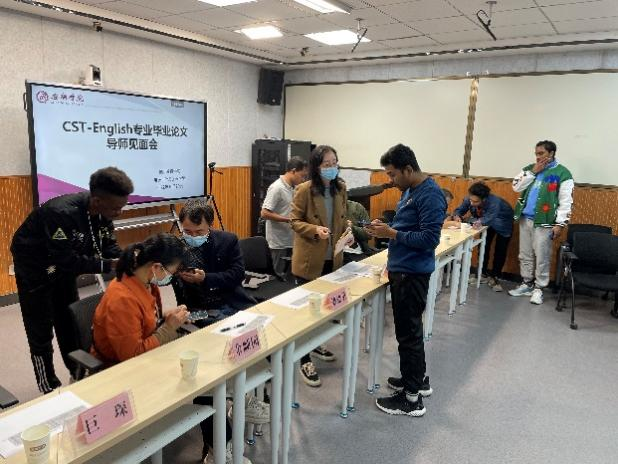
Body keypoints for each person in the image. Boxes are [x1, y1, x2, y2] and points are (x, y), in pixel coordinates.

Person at [91, 233, 256, 464]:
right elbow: (132, 356)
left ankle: (233, 407)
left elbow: (147, 324)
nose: (173, 276)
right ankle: (219, 447)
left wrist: (165, 319)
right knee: (201, 379)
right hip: (123, 368)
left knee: (205, 356)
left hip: (149, 352)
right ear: (156, 267)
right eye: (172, 271)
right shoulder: (122, 298)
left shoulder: (146, 283)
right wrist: (168, 327)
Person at [11, 167, 133, 393]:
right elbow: (67, 260)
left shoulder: (103, 214)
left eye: (121, 207)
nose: (119, 213)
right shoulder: (61, 213)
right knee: (40, 330)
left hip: (64, 268)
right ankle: (48, 386)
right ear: (97, 200)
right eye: (116, 208)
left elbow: (109, 247)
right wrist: (108, 265)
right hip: (34, 269)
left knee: (69, 320)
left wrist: (127, 258)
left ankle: (77, 372)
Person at [366, 144, 446, 417]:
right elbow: (406, 227)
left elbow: (429, 239)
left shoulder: (430, 194)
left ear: (408, 169)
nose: (391, 180)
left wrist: (392, 234)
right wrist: (387, 228)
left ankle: (411, 400)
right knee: (410, 332)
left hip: (412, 273)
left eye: (392, 174)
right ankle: (416, 381)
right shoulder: (410, 190)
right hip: (402, 268)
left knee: (408, 335)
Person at [290, 145, 347, 387]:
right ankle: (304, 359)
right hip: (309, 259)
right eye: (326, 164)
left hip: (333, 258)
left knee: (324, 309)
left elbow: (342, 218)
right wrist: (314, 229)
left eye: (334, 162)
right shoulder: (304, 190)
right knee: (307, 312)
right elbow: (294, 221)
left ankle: (315, 344)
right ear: (316, 167)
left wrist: (348, 233)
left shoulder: (340, 187)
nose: (332, 167)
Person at [508, 140, 574, 305]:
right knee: (525, 254)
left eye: (541, 153)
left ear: (551, 153)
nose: (537, 157)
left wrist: (560, 224)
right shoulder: (530, 168)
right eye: (536, 153)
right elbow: (516, 186)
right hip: (525, 218)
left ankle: (539, 288)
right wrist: (533, 172)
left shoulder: (562, 173)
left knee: (542, 256)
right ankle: (527, 283)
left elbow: (566, 201)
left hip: (545, 222)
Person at [173, 199, 255, 323]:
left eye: (199, 232)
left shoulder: (227, 240)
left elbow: (238, 274)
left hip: (230, 300)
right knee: (223, 328)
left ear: (211, 225)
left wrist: (205, 278)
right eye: (187, 231)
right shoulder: (175, 247)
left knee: (255, 324)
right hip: (199, 309)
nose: (193, 236)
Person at [450, 182, 514, 292]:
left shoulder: (494, 202)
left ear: (484, 199)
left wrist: (478, 222)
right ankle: (481, 274)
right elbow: (460, 210)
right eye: (471, 200)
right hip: (486, 222)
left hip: (503, 222)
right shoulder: (470, 199)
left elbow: (489, 218)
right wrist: (457, 216)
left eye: (476, 202)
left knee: (500, 250)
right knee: (484, 247)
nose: (472, 203)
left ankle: (495, 277)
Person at [260, 157, 308, 278]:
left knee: (290, 277)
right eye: (302, 176)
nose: (303, 180)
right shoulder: (277, 188)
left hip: (291, 239)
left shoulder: (293, 187)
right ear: (293, 171)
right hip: (279, 242)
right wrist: (288, 220)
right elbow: (264, 213)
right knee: (277, 277)